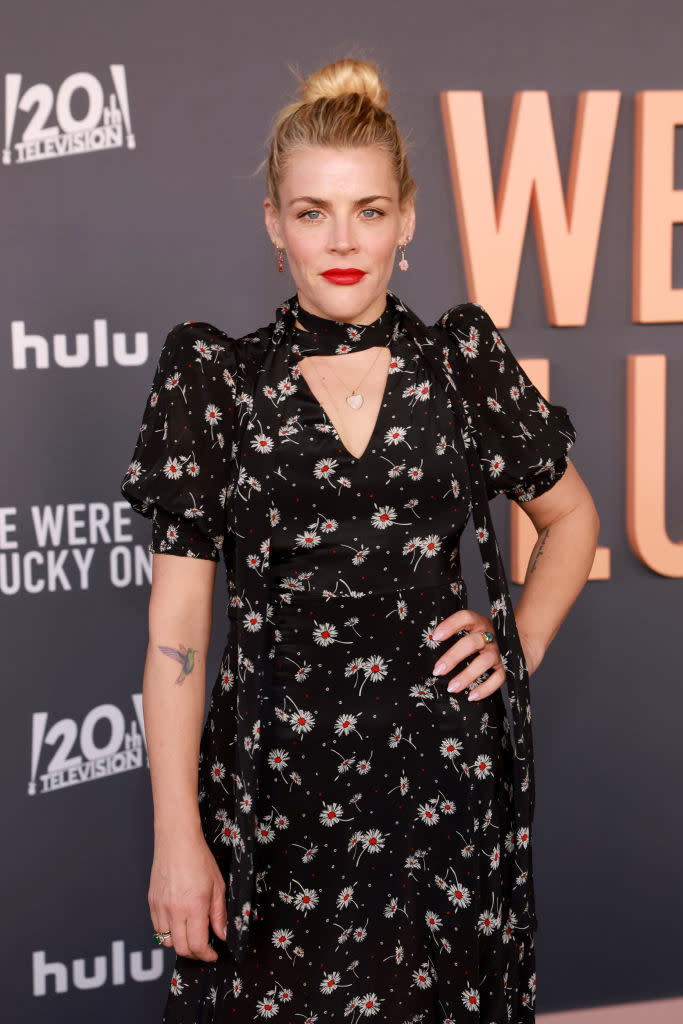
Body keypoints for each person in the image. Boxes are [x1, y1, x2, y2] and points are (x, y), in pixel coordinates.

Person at [120, 57, 599, 1024]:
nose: (341, 241)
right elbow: (177, 625)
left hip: (441, 794)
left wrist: (522, 638)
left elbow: (571, 519)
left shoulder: (461, 359)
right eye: (311, 212)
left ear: (407, 220)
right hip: (271, 797)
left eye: (369, 211)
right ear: (272, 222)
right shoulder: (215, 377)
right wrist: (179, 836)